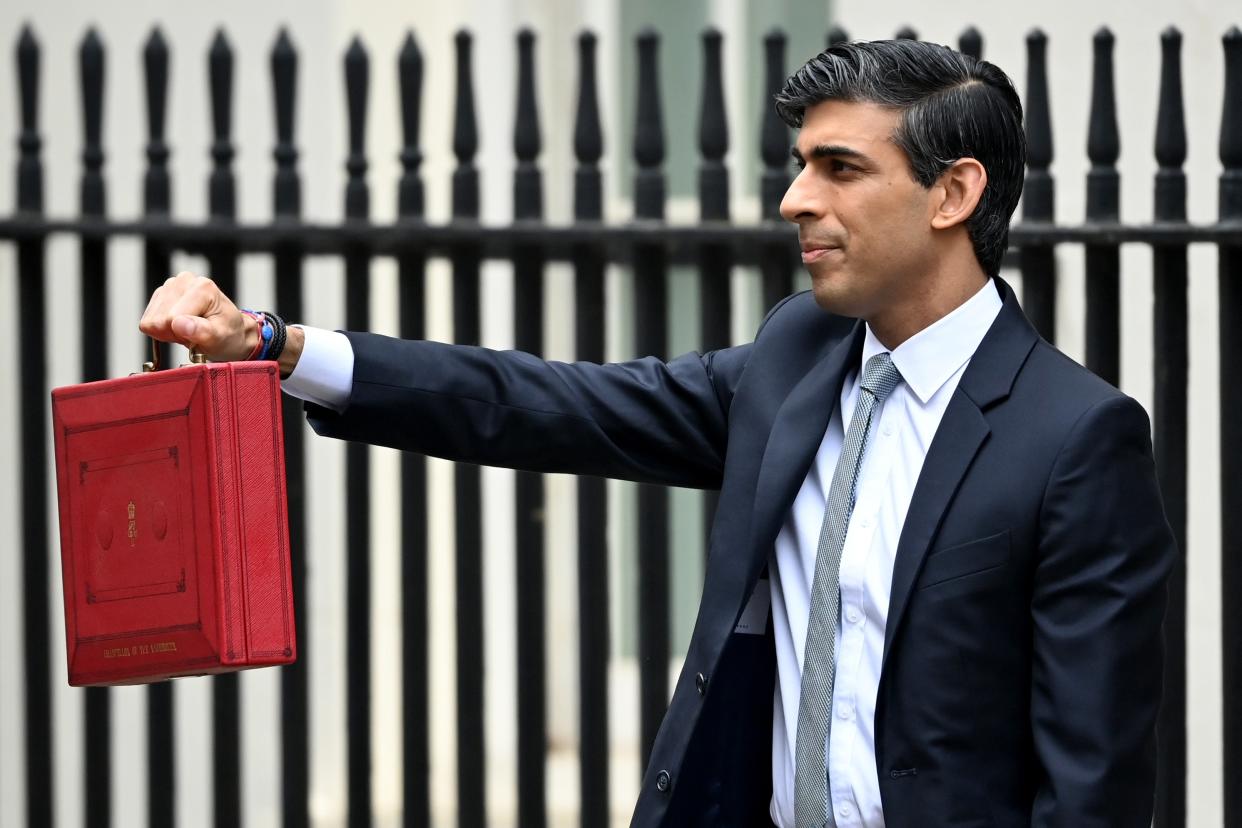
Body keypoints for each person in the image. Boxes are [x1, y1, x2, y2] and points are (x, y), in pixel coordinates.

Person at [141, 39, 1174, 828]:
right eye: (799, 164)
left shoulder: (1077, 439)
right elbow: (549, 401)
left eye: (840, 169)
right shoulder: (795, 358)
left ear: (954, 192)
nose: (795, 199)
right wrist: (278, 346)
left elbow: (1094, 783)